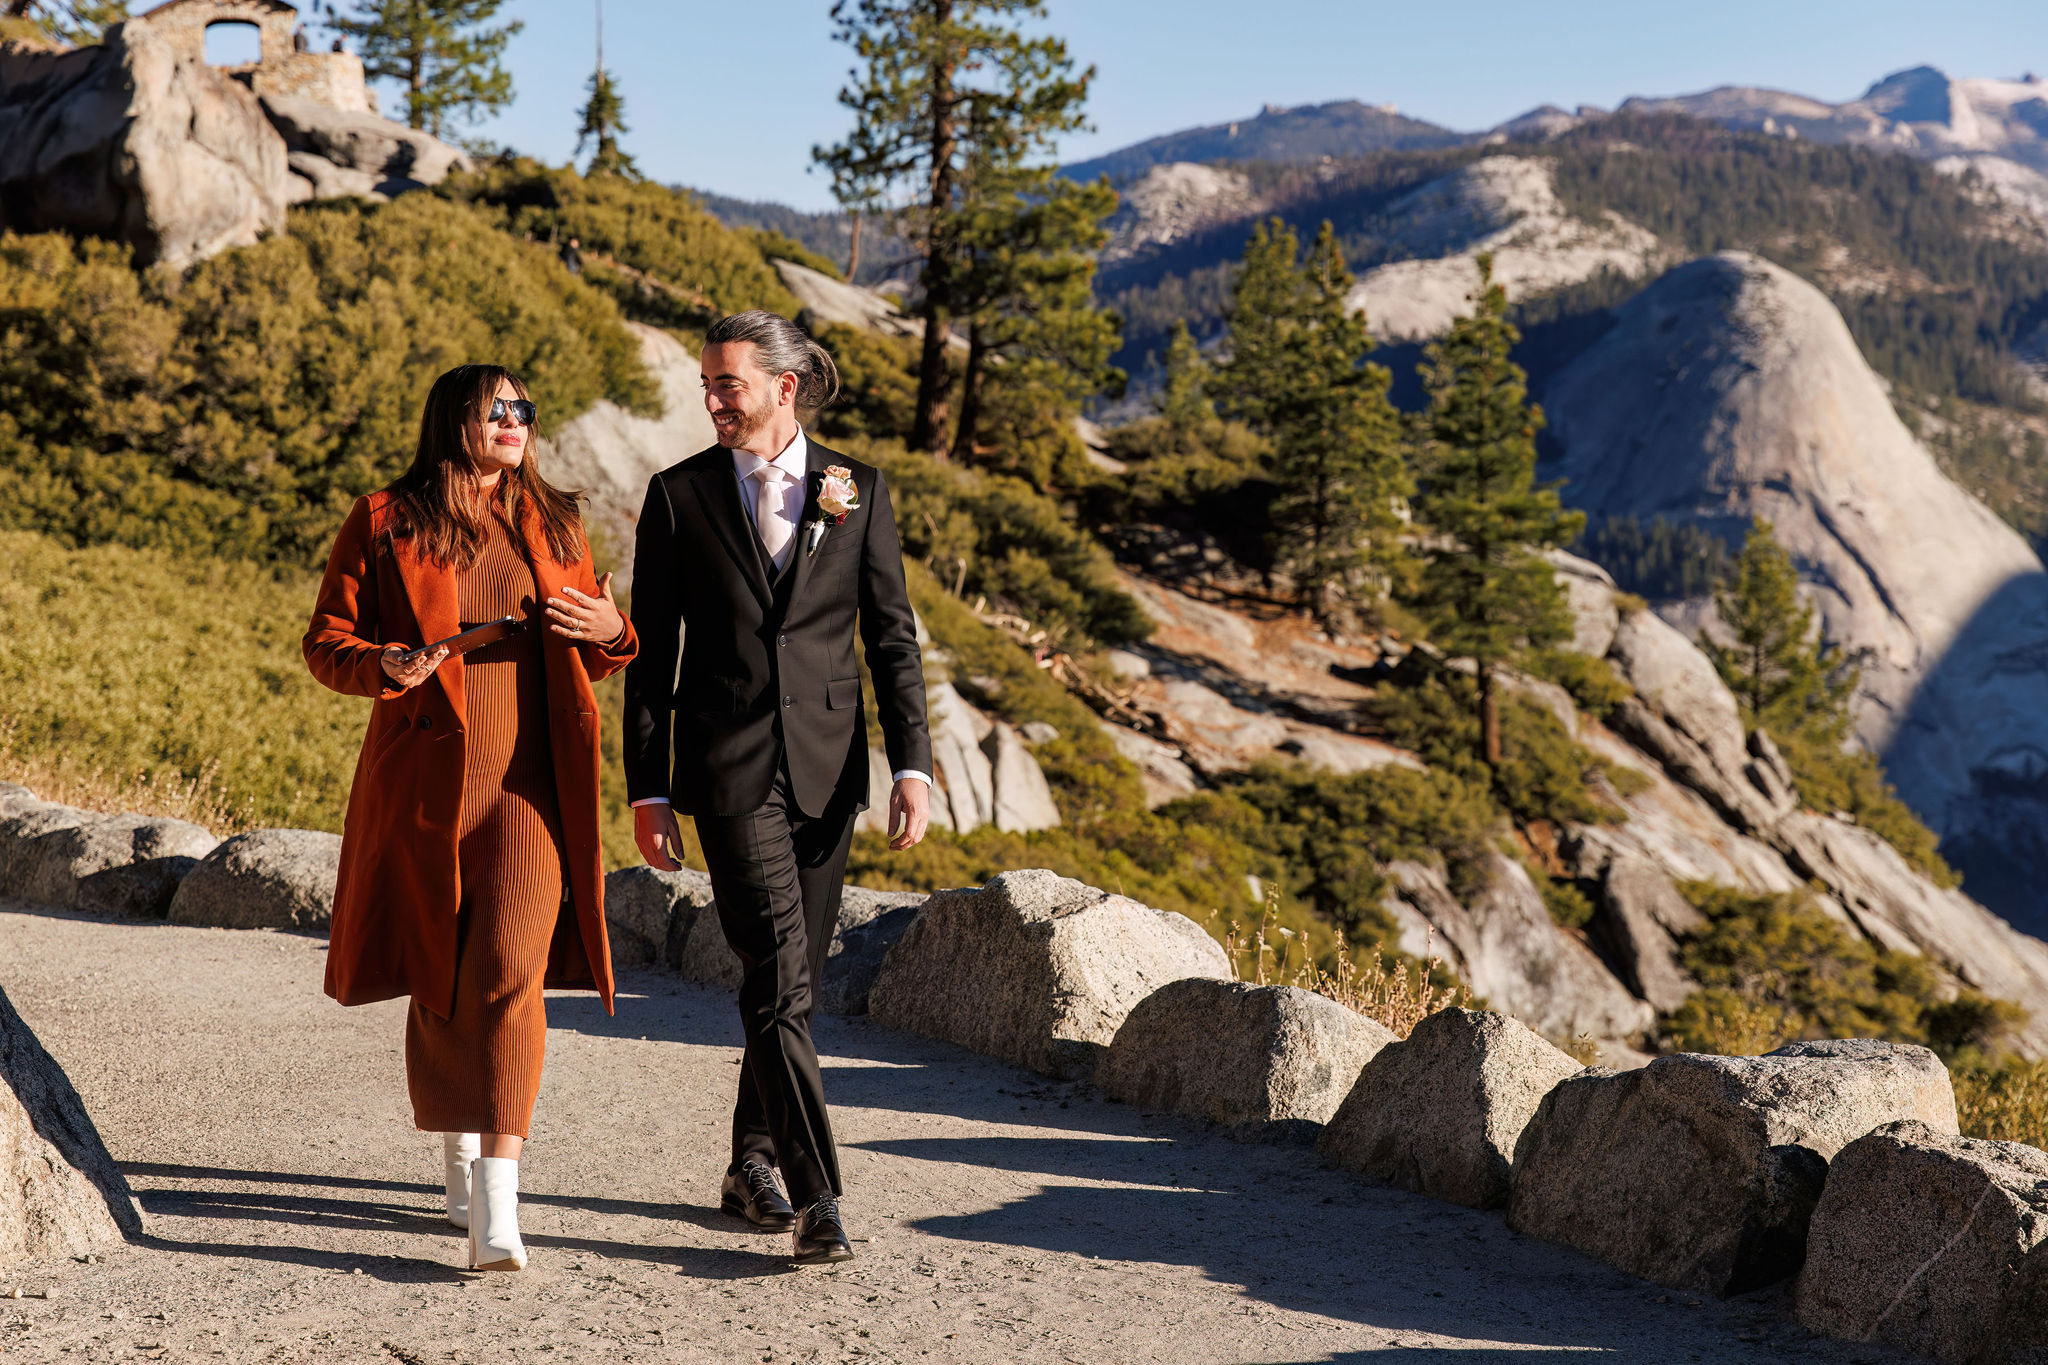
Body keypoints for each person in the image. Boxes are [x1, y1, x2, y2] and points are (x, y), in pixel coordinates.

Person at [303, 365, 636, 1273]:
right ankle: (454, 1136)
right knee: (440, 967)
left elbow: (601, 650)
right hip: (428, 785)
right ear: (455, 417)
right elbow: (326, 643)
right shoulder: (384, 519)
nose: (515, 421)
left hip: (534, 790)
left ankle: (498, 1203)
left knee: (507, 973)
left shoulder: (557, 519)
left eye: (525, 408)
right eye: (498, 408)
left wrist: (610, 625)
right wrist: (386, 663)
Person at [623, 310, 932, 1265]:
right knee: (779, 977)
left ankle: (747, 1160)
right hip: (726, 772)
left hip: (831, 772)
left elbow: (890, 636)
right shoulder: (677, 497)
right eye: (708, 385)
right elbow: (651, 659)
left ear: (784, 388)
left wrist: (911, 763)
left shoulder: (858, 490)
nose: (712, 400)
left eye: (729, 384)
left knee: (790, 981)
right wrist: (650, 788)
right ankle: (816, 1195)